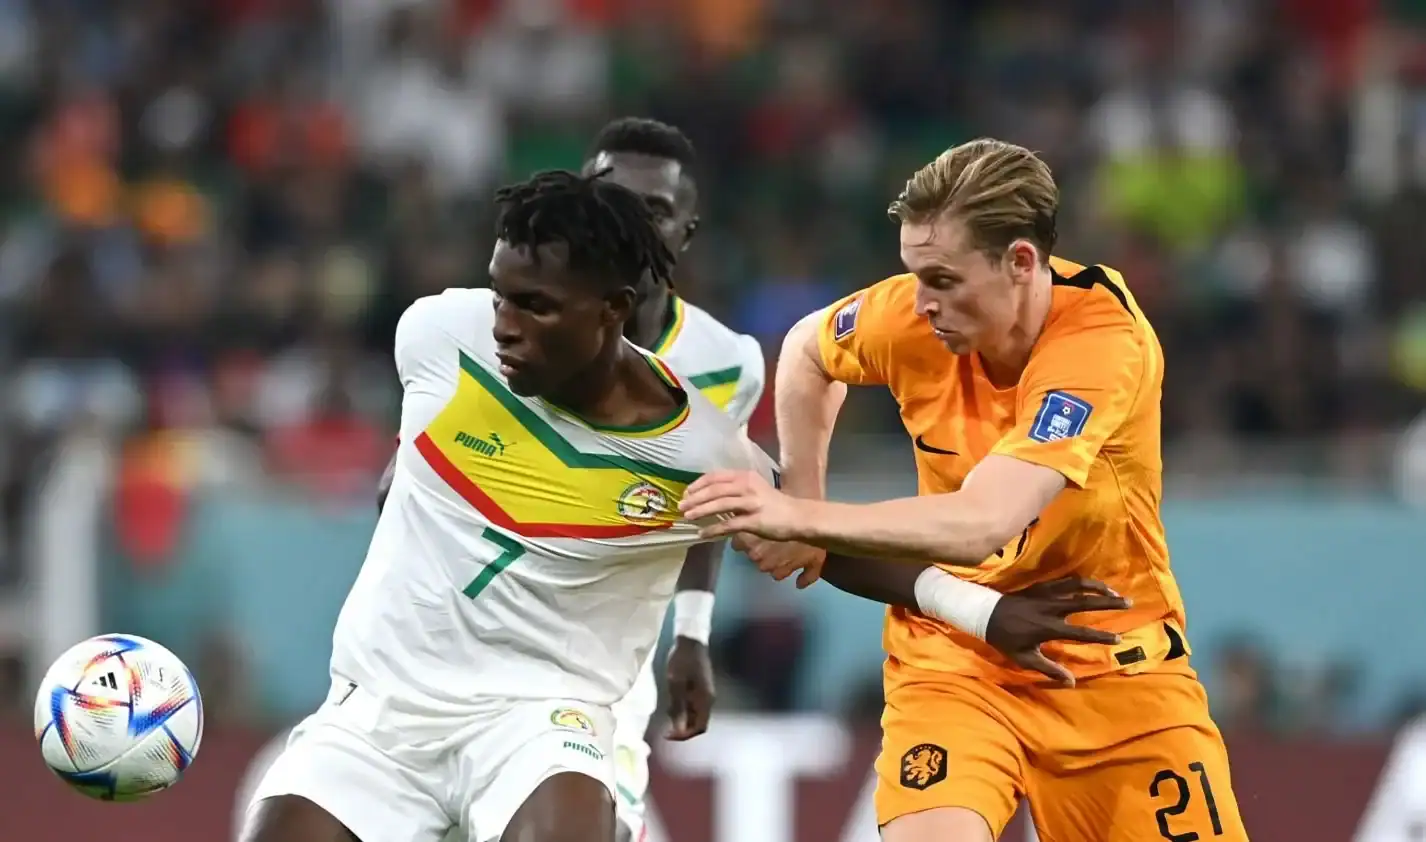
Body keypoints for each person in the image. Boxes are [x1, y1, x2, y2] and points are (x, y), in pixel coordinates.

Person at [679, 139, 1251, 842]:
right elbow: (805, 349)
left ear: (1020, 262)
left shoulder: (1100, 342)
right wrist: (803, 486)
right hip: (955, 662)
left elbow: (985, 521)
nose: (921, 303)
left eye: (943, 280)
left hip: (1114, 673)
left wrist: (798, 516)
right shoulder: (913, 314)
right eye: (914, 274)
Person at [240, 169, 780, 842]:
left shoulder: (699, 450)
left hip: (538, 719)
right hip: (381, 714)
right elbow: (404, 466)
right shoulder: (437, 332)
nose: (505, 326)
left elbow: (806, 531)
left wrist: (694, 631)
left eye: (535, 306)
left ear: (612, 308)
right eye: (500, 296)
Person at [580, 116, 766, 842]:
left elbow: (708, 501)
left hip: (613, 651)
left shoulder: (728, 364)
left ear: (686, 232)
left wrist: (691, 633)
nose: (628, 223)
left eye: (653, 209)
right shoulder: (512, 331)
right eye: (610, 201)